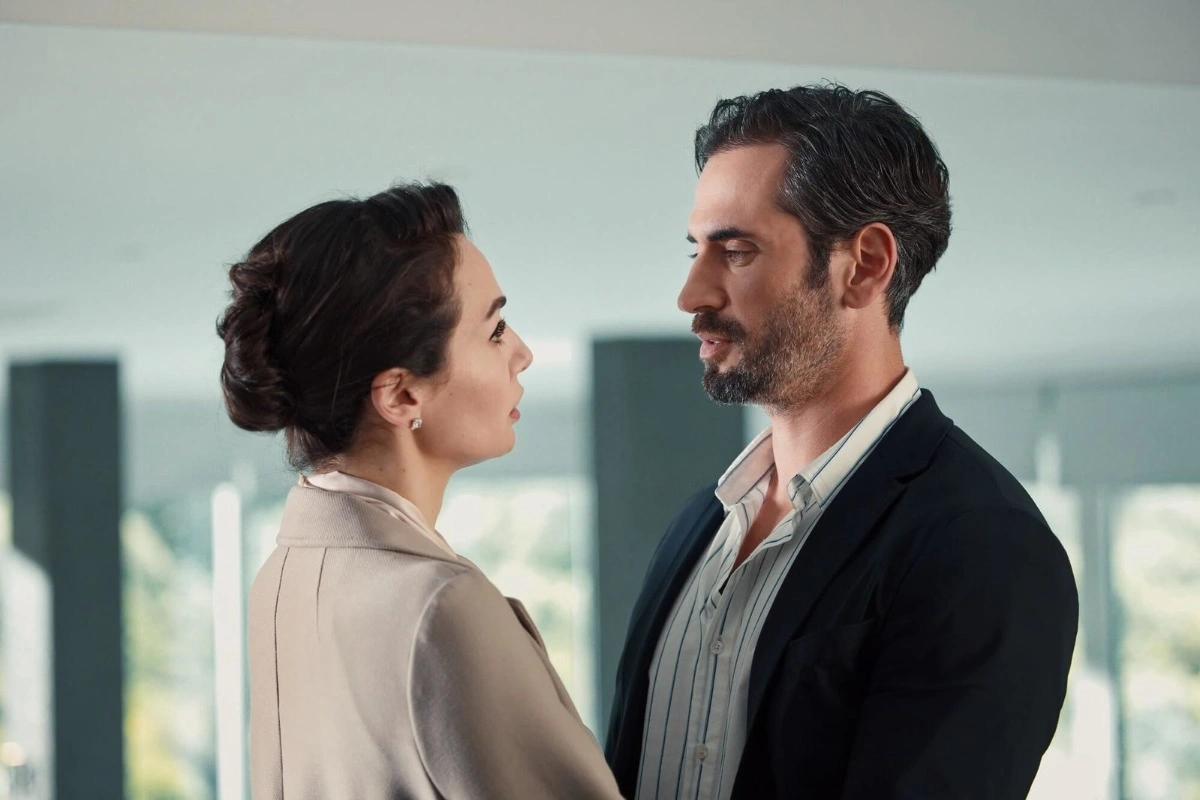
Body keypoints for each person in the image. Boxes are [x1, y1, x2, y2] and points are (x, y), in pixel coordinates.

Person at [605, 84, 1079, 800]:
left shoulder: (984, 542)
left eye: (736, 251)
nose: (691, 294)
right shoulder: (698, 525)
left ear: (864, 265)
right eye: (697, 250)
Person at [217, 182, 622, 799]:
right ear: (402, 394)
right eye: (495, 330)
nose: (522, 353)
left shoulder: (281, 577)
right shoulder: (440, 606)